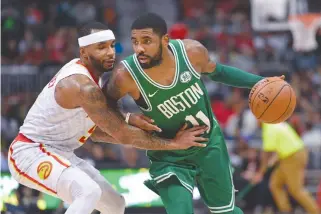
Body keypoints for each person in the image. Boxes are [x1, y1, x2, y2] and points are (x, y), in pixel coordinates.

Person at [7, 22, 208, 214]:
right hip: (30, 153)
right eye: (101, 47)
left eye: (112, 46)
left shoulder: (96, 79)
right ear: (83, 52)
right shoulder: (81, 85)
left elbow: (98, 132)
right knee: (87, 192)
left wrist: (128, 119)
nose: (110, 52)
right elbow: (122, 136)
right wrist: (173, 143)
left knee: (115, 205)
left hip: (61, 153)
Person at [105, 13, 282, 214]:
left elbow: (219, 72)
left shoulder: (191, 52)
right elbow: (105, 105)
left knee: (226, 211)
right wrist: (129, 117)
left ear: (165, 40)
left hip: (209, 145)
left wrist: (259, 82)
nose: (140, 49)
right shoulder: (126, 75)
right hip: (169, 154)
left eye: (147, 41)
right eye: (135, 42)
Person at [252, 122, 320, 214]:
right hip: (291, 155)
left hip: (292, 156)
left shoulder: (269, 128)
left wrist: (260, 173)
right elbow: (282, 146)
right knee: (275, 184)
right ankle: (286, 210)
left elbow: (266, 154)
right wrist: (272, 161)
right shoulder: (278, 123)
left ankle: (316, 212)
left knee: (296, 189)